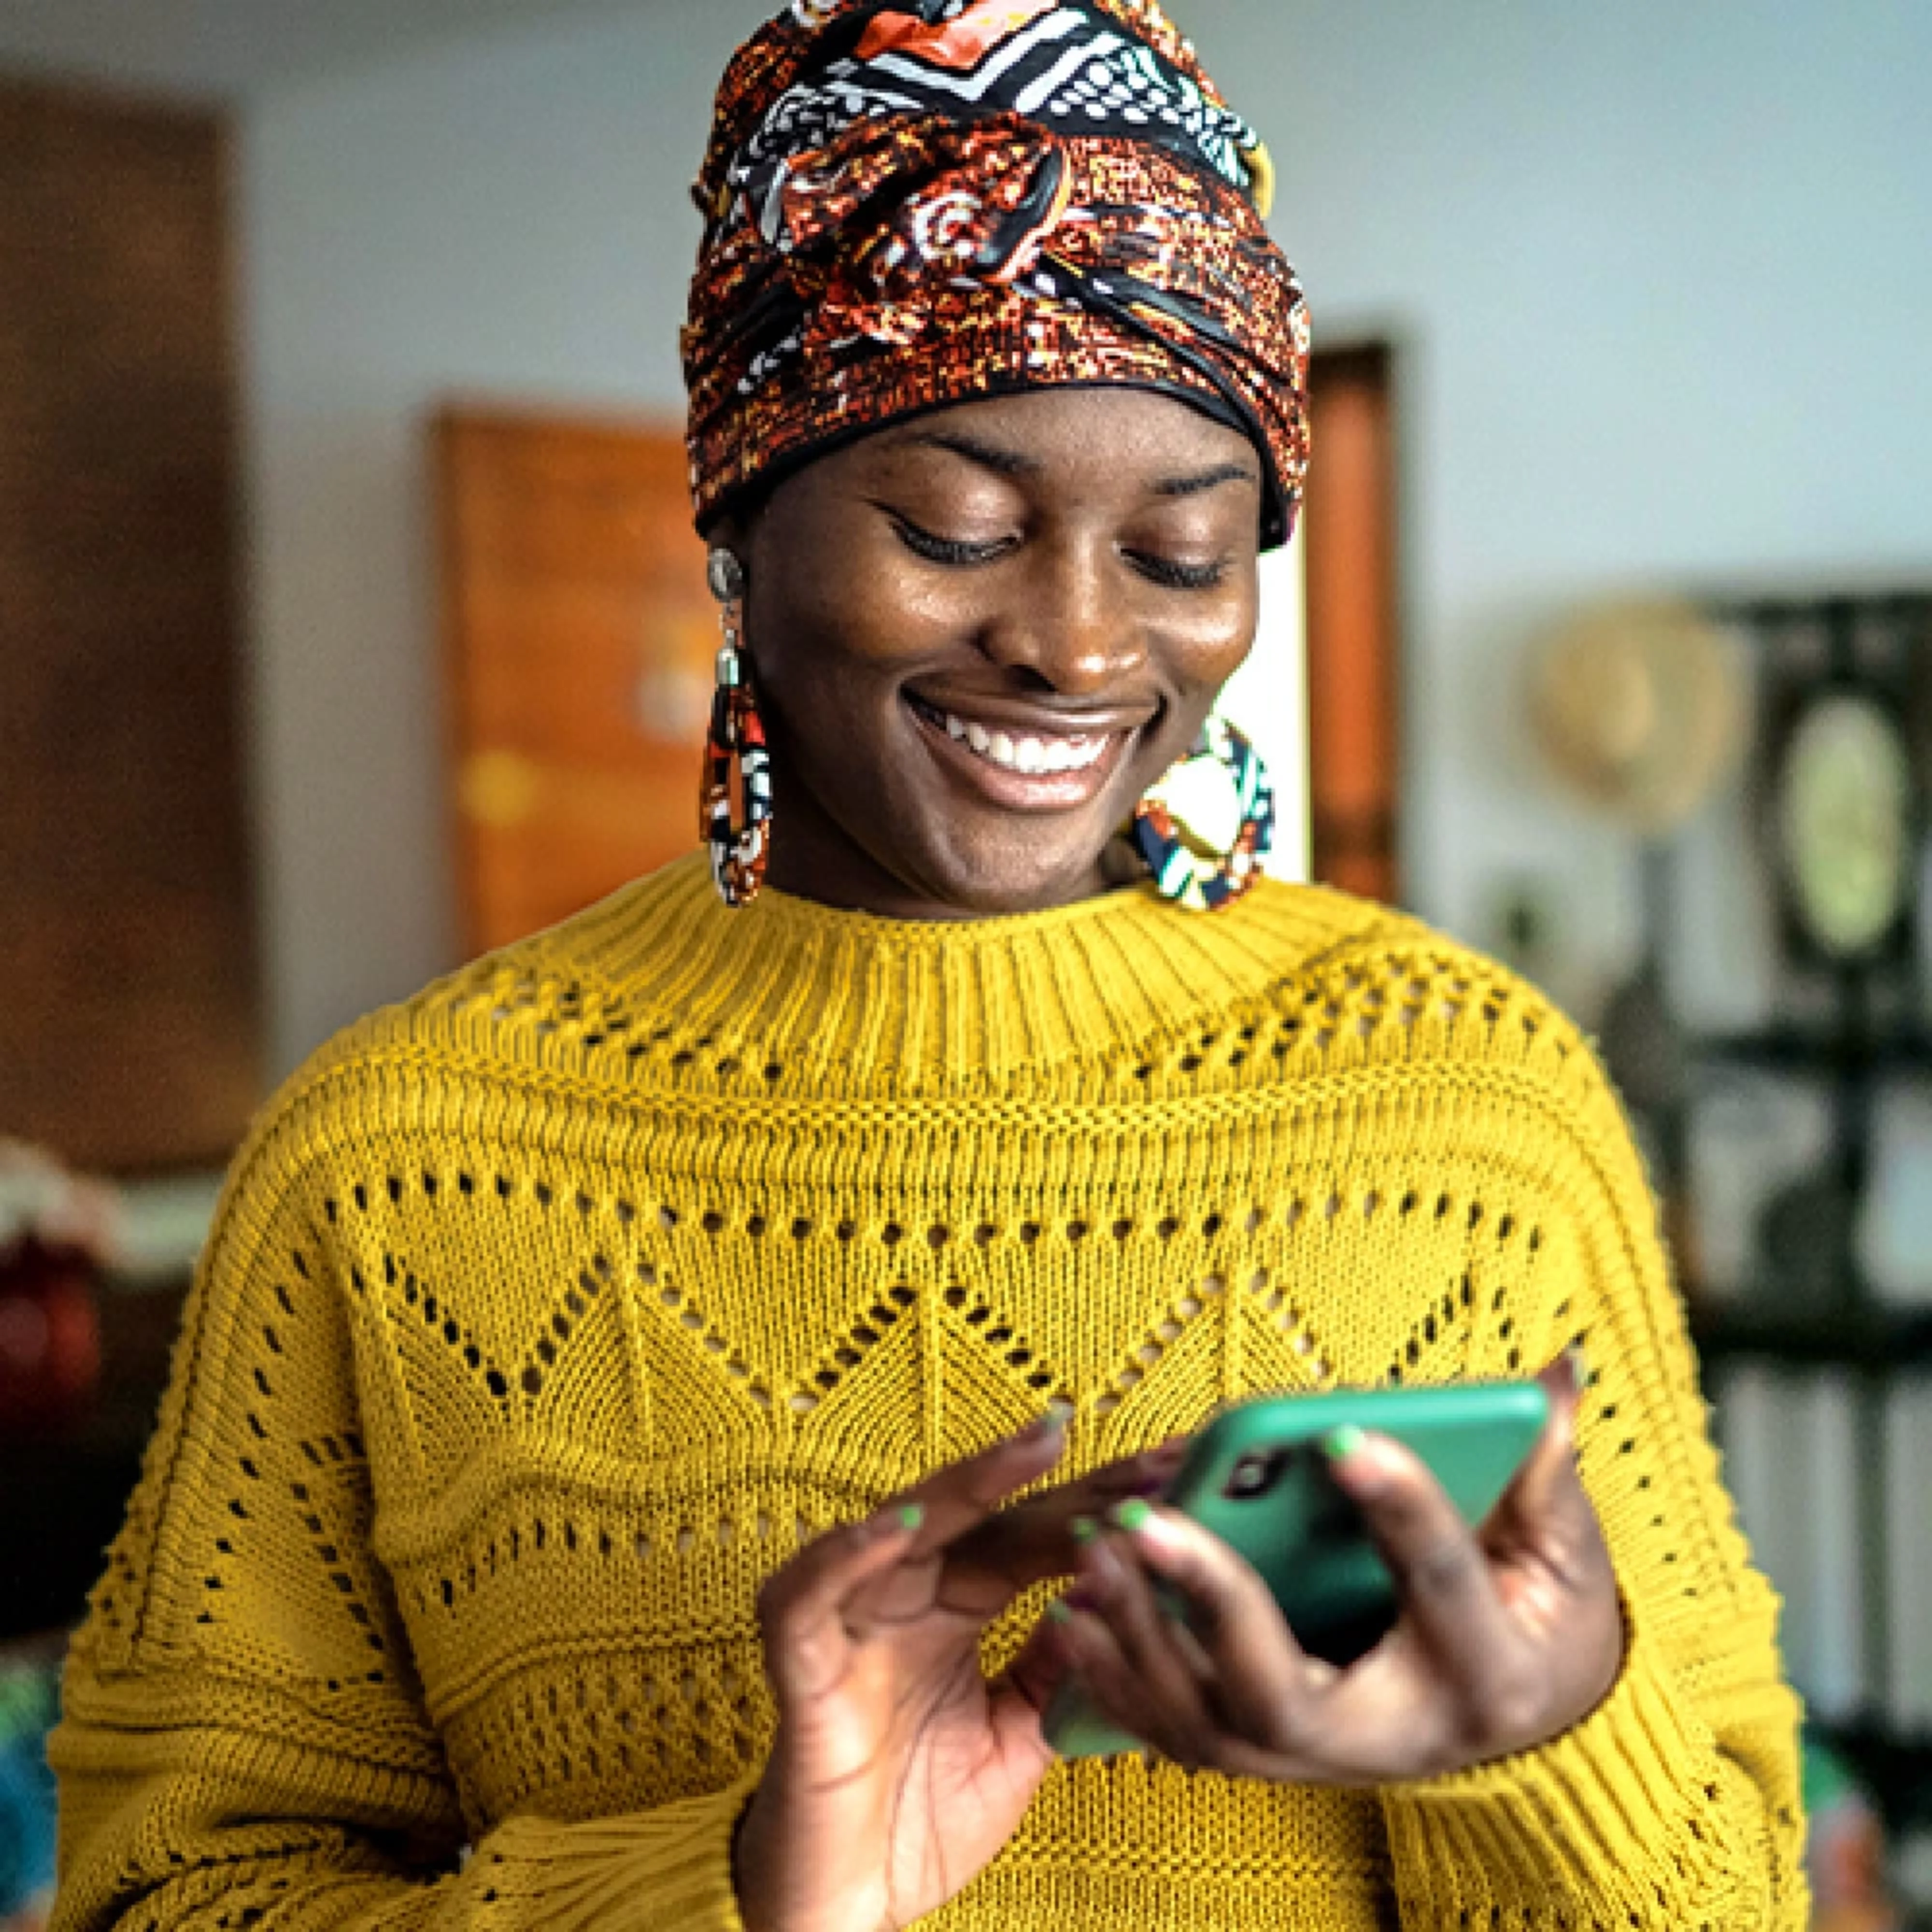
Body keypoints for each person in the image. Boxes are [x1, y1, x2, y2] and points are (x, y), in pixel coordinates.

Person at [50, 1, 1806, 1927]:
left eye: (1181, 555)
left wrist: (1555, 1733)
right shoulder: (394, 1157)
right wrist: (739, 1889)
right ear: (741, 517)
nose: (1077, 646)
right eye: (956, 529)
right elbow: (165, 1892)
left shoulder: (1471, 1102)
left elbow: (1737, 1889)